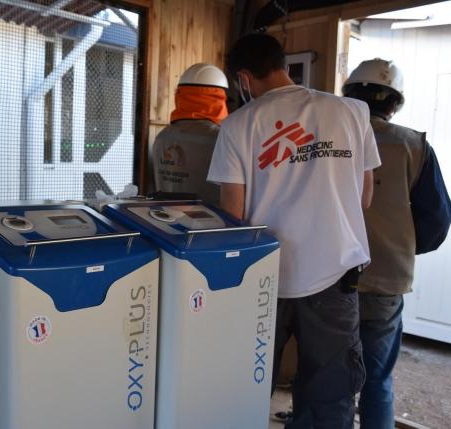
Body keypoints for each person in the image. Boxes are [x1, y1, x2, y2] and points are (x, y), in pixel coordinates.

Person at [207, 33, 380, 428]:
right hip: (336, 275)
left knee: (249, 382)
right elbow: (365, 197)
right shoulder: (352, 112)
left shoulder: (237, 125)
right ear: (282, 65)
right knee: (331, 391)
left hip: (265, 279)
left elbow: (233, 215)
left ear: (244, 79)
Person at [343, 58, 451, 429]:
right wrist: (400, 244)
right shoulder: (414, 145)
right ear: (394, 103)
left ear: (349, 94)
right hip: (385, 279)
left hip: (327, 276)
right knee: (378, 378)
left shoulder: (328, 138)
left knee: (329, 376)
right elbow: (436, 220)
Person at [149, 63, 229, 204]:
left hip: (166, 220)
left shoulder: (162, 136)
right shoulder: (221, 138)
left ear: (180, 95)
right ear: (217, 98)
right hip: (210, 223)